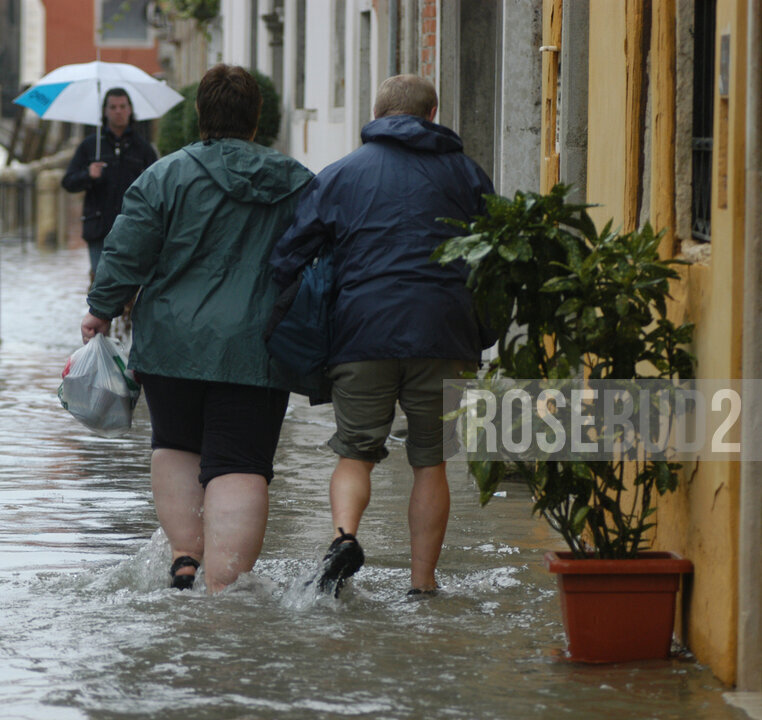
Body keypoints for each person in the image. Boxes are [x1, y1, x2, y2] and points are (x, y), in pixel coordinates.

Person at [80, 64, 313, 593]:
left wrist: (100, 309)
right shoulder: (297, 180)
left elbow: (126, 250)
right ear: (256, 118)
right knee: (240, 462)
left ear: (199, 117)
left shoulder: (164, 176)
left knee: (177, 444)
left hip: (170, 346)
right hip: (258, 347)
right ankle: (225, 589)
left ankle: (185, 558)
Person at [270, 74, 495, 598]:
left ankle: (345, 539)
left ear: (376, 114)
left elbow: (288, 256)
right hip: (445, 334)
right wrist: (480, 330)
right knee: (431, 461)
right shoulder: (467, 174)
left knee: (355, 453)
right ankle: (423, 583)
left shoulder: (342, 173)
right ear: (432, 113)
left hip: (361, 333)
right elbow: (497, 254)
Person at [62, 87, 158, 278]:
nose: (118, 111)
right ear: (105, 111)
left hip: (133, 228)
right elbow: (68, 182)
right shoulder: (90, 146)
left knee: (130, 284)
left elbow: (157, 188)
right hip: (98, 227)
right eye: (113, 107)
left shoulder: (143, 148)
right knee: (101, 282)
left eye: (122, 106)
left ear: (130, 110)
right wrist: (88, 175)